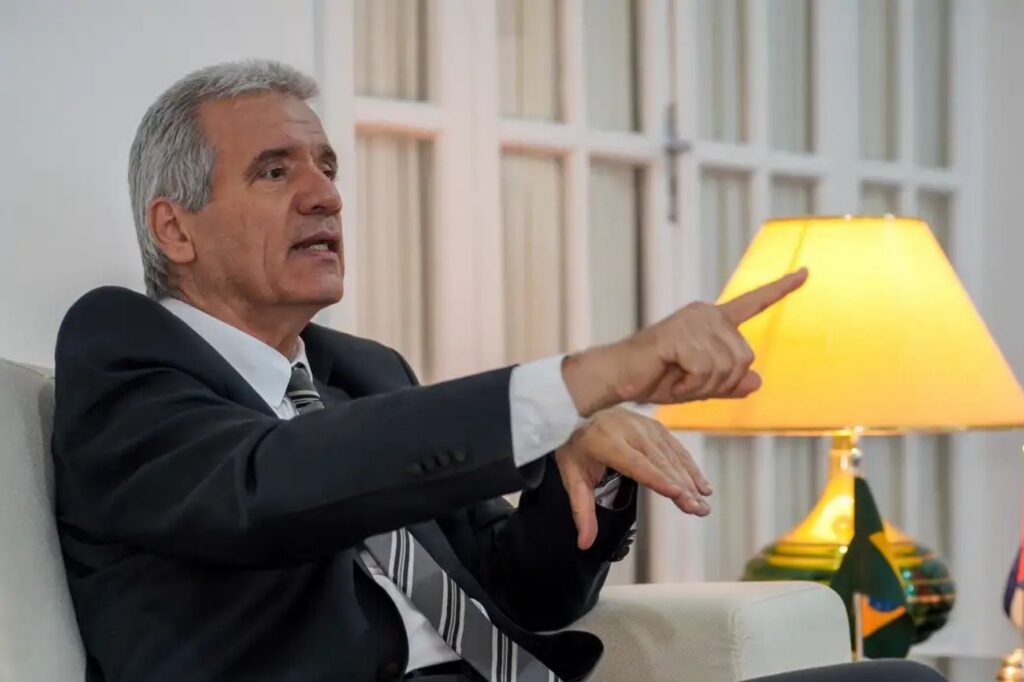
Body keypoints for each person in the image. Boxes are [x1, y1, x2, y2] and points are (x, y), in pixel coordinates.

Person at [52, 60, 945, 682]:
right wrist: (581, 382)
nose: (325, 195)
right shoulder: (124, 355)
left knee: (900, 681)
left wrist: (578, 471)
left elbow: (521, 589)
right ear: (175, 229)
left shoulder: (360, 370)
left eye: (326, 167)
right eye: (275, 172)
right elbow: (272, 486)